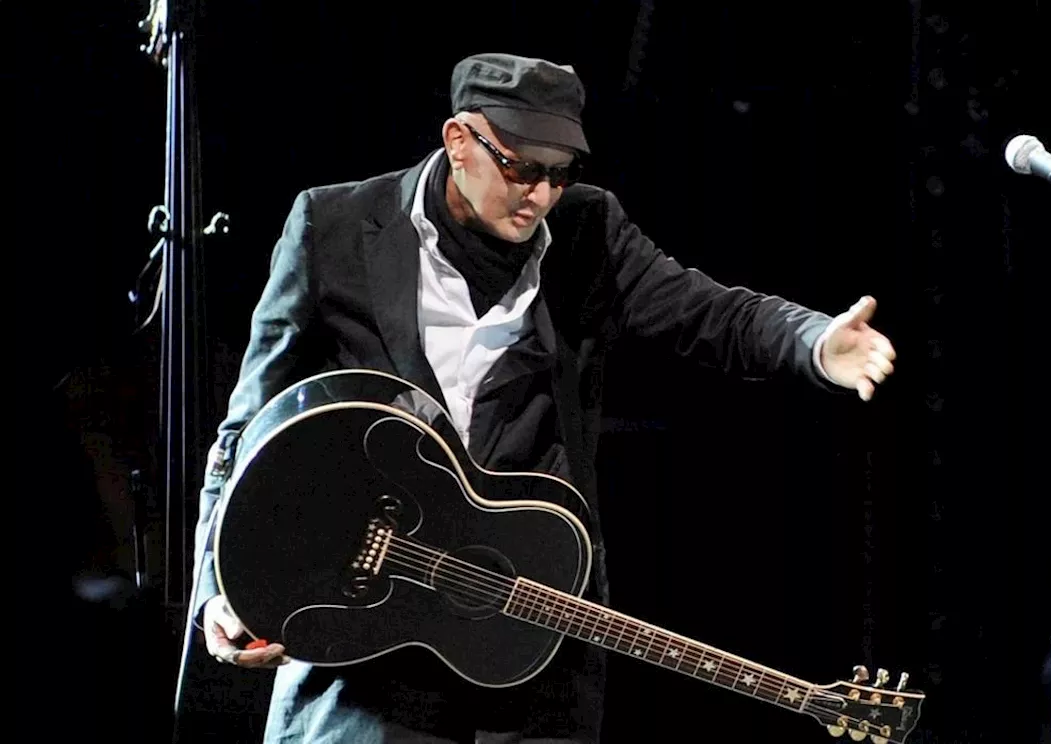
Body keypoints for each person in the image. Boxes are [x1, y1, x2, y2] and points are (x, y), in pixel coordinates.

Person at [191, 52, 897, 744]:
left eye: (561, 174)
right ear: (459, 140)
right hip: (366, 631)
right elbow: (247, 427)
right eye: (522, 169)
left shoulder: (588, 233)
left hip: (529, 634)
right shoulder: (333, 225)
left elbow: (712, 314)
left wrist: (813, 343)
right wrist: (220, 587)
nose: (541, 194)